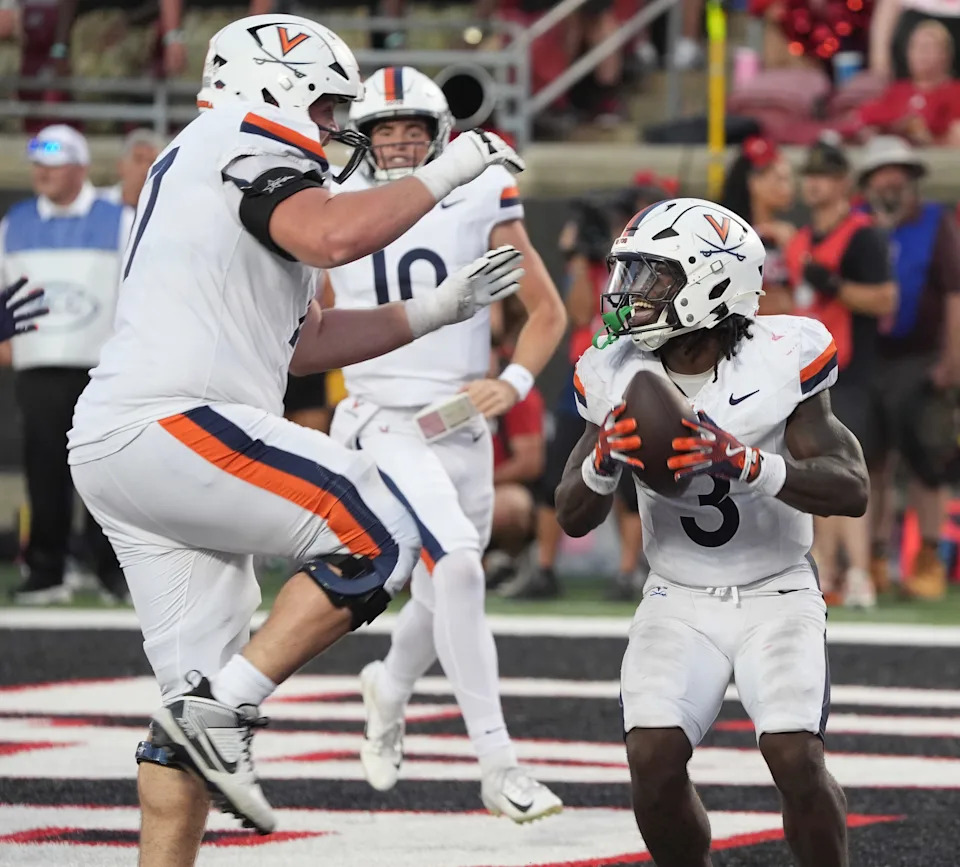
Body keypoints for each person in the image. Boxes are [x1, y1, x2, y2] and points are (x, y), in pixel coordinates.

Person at [66, 14, 526, 864]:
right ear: (272, 84)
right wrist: (455, 165)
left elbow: (304, 342)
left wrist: (438, 307)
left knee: (182, 723)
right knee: (382, 523)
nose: (334, 127)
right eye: (326, 107)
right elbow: (335, 234)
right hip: (172, 419)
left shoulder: (213, 163)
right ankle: (228, 707)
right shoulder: (240, 134)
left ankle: (208, 719)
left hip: (135, 439)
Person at [556, 197, 864, 867]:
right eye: (628, 275)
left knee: (794, 755)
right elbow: (571, 511)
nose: (629, 296)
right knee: (652, 758)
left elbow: (852, 485)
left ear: (713, 283)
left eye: (652, 278)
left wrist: (750, 463)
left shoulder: (783, 354)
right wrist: (605, 460)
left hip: (776, 587)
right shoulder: (611, 368)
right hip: (677, 591)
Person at [325, 65, 566, 821]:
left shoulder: (477, 190)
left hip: (462, 418)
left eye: (412, 130)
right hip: (380, 413)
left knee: (438, 591)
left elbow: (548, 310)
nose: (398, 145)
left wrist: (517, 384)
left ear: (440, 135)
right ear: (361, 138)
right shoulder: (330, 201)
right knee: (459, 564)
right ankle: (499, 763)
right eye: (384, 131)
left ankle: (389, 686)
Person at [0, 124, 131, 605]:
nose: (41, 174)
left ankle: (110, 572)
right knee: (44, 471)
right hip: (38, 369)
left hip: (104, 369)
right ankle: (47, 571)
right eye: (36, 165)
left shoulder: (121, 220)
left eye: (52, 166)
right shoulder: (14, 223)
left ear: (79, 168)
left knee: (107, 474)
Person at [785, 137, 896, 608]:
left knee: (849, 471)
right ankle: (826, 570)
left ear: (843, 183)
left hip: (850, 371)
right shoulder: (801, 240)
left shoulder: (860, 235)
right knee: (814, 473)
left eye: (823, 176)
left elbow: (885, 300)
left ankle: (859, 574)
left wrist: (835, 286)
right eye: (808, 176)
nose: (813, 185)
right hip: (806, 372)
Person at [857, 136, 960, 599]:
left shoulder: (937, 222)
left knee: (926, 461)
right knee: (871, 461)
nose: (891, 180)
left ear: (913, 179)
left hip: (920, 357)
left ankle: (929, 559)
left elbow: (955, 292)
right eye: (882, 173)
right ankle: (875, 556)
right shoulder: (860, 224)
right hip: (869, 357)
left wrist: (953, 358)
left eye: (899, 172)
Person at [847, 20, 960, 147]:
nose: (920, 54)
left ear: (945, 55)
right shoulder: (897, 90)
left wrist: (927, 139)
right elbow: (863, 118)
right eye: (915, 47)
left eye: (927, 48)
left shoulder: (955, 92)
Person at [720, 135, 796, 314]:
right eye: (780, 179)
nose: (788, 188)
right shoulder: (727, 235)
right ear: (754, 182)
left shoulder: (787, 233)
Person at [98, 128, 164, 209]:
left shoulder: (167, 209)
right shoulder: (100, 205)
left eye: (152, 162)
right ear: (121, 166)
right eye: (138, 160)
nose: (146, 169)